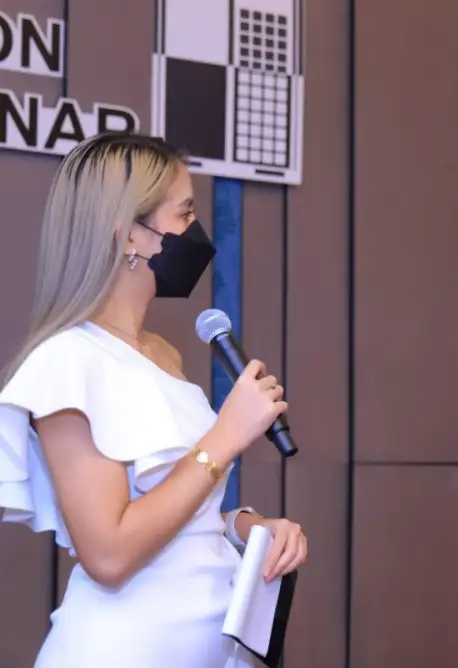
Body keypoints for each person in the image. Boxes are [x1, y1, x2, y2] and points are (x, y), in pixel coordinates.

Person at [0, 132, 307, 667]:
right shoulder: (67, 361)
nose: (197, 230)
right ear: (128, 236)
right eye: (184, 214)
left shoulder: (163, 354)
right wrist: (227, 436)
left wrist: (244, 527)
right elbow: (109, 553)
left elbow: (175, 516)